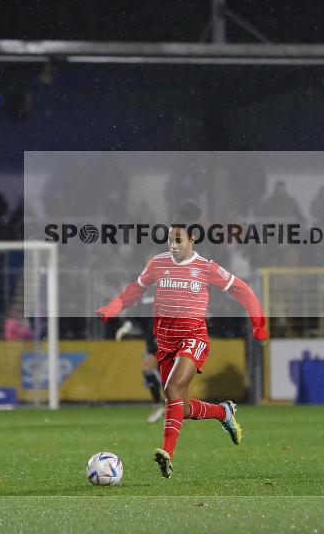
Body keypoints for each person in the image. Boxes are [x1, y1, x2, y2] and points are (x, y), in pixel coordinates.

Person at [95, 200, 268, 479]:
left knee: (173, 390)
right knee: (183, 407)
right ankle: (223, 413)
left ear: (192, 239)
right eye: (169, 239)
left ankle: (167, 455)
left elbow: (243, 290)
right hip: (165, 344)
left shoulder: (206, 268)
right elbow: (134, 291)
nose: (172, 245)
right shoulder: (157, 264)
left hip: (193, 337)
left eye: (178, 240)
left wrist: (258, 324)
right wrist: (111, 309)